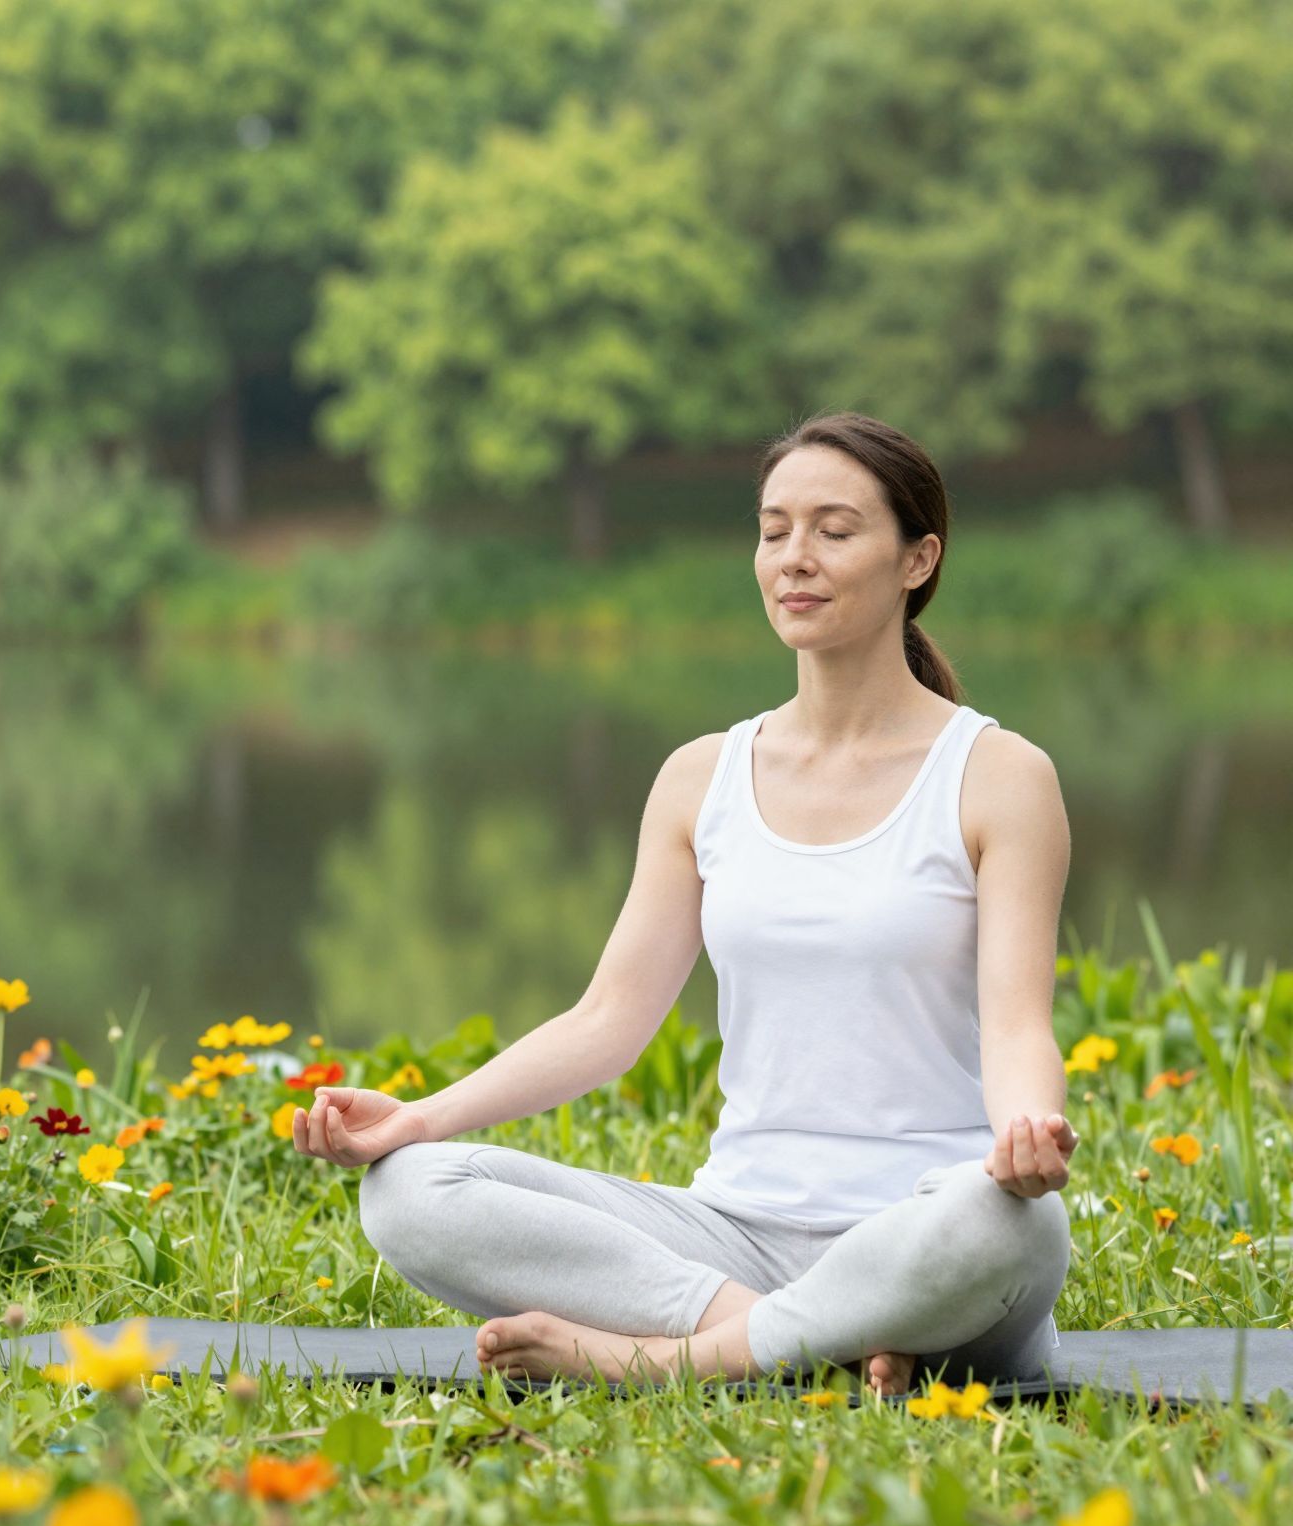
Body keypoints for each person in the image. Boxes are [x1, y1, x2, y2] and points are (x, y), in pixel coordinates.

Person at [291, 411, 1075, 1398]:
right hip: (733, 1238)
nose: (793, 558)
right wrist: (415, 1119)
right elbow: (608, 1020)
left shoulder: (996, 775)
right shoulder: (700, 777)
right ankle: (812, 1343)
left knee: (1010, 1224)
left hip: (924, 1229)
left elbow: (1015, 1025)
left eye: (833, 532)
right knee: (410, 1192)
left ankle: (660, 1364)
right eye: (772, 528)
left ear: (916, 560)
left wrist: (1024, 1133)